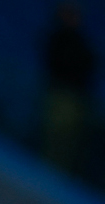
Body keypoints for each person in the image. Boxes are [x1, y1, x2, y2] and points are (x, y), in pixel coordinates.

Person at [42, 2, 97, 176]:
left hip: (75, 99)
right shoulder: (60, 38)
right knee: (53, 139)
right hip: (61, 95)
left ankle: (57, 177)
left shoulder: (80, 41)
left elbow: (89, 67)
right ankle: (47, 175)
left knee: (67, 144)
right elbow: (58, 64)